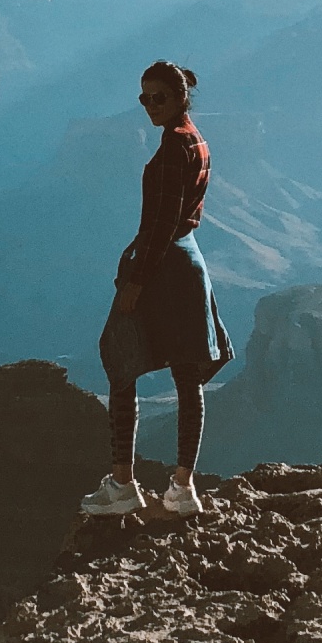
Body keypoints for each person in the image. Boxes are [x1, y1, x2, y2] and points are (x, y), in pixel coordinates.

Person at [81, 58, 233, 518]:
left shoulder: (172, 150)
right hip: (190, 263)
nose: (150, 106)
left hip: (164, 268)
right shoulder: (197, 141)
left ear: (182, 96)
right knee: (187, 378)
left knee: (120, 361)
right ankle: (182, 489)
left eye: (159, 97)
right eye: (144, 98)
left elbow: (162, 223)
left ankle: (123, 484)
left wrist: (136, 281)